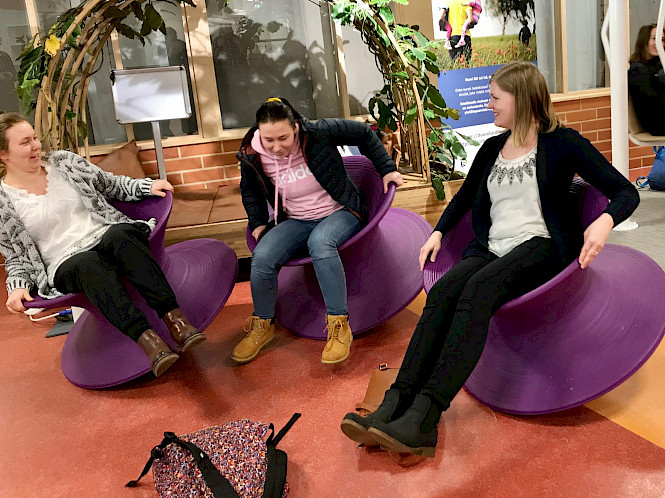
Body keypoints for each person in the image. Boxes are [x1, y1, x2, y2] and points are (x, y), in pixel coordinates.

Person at [340, 61, 639, 457]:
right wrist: (438, 231)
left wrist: (604, 221)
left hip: (541, 245)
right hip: (492, 246)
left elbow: (626, 192)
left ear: (522, 99)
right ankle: (396, 403)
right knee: (444, 291)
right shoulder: (493, 148)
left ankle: (425, 415)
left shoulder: (563, 143)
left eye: (496, 98)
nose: (489, 105)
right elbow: (465, 198)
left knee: (477, 292)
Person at [0, 113, 205, 378]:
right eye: (25, 142)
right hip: (64, 261)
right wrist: (16, 289)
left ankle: (177, 322)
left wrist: (147, 185)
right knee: (88, 264)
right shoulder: (3, 202)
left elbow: (110, 184)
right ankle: (150, 343)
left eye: (35, 138)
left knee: (120, 236)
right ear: (4, 154)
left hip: (103, 232)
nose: (36, 146)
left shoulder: (64, 162)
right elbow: (15, 257)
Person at [234, 97, 403, 365]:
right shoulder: (251, 153)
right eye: (269, 140)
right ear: (259, 134)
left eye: (283, 138)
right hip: (297, 219)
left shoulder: (319, 131)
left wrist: (386, 169)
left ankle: (339, 326)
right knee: (262, 257)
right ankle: (263, 325)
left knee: (321, 243)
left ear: (296, 128)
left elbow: (362, 133)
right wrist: (257, 222)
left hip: (341, 211)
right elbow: (249, 189)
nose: (277, 147)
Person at [629, 23, 665, 136]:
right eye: (654, 39)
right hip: (656, 124)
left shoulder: (657, 66)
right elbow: (652, 103)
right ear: (644, 41)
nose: (659, 43)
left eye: (662, 39)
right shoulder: (638, 70)